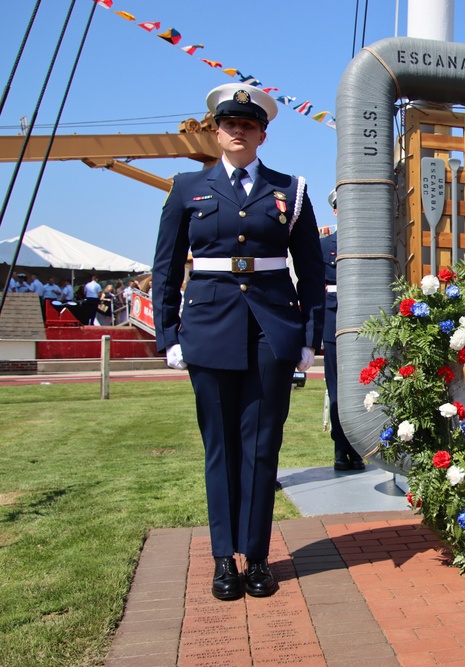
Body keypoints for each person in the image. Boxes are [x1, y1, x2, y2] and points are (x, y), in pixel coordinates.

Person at [152, 83, 324, 601]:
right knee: (221, 446)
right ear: (216, 129)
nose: (238, 130)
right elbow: (164, 267)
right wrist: (167, 335)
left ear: (262, 134)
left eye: (247, 124)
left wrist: (309, 337)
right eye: (229, 123)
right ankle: (224, 558)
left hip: (271, 329)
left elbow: (311, 270)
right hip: (207, 326)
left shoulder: (290, 190)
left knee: (262, 445)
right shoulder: (187, 187)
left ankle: (258, 557)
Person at [321, 194, 364, 471]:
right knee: (337, 390)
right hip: (333, 320)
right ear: (336, 212)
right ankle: (341, 449)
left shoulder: (367, 242)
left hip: (364, 322)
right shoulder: (323, 246)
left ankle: (361, 445)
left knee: (364, 388)